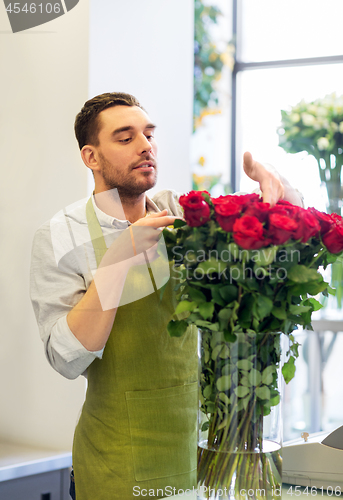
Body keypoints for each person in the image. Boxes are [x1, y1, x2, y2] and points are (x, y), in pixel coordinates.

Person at [30, 92, 303, 500]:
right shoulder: (61, 235)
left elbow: (279, 220)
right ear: (91, 157)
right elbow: (67, 358)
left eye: (149, 134)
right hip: (116, 461)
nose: (146, 146)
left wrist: (276, 184)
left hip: (200, 451)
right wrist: (119, 258)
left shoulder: (182, 212)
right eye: (125, 138)